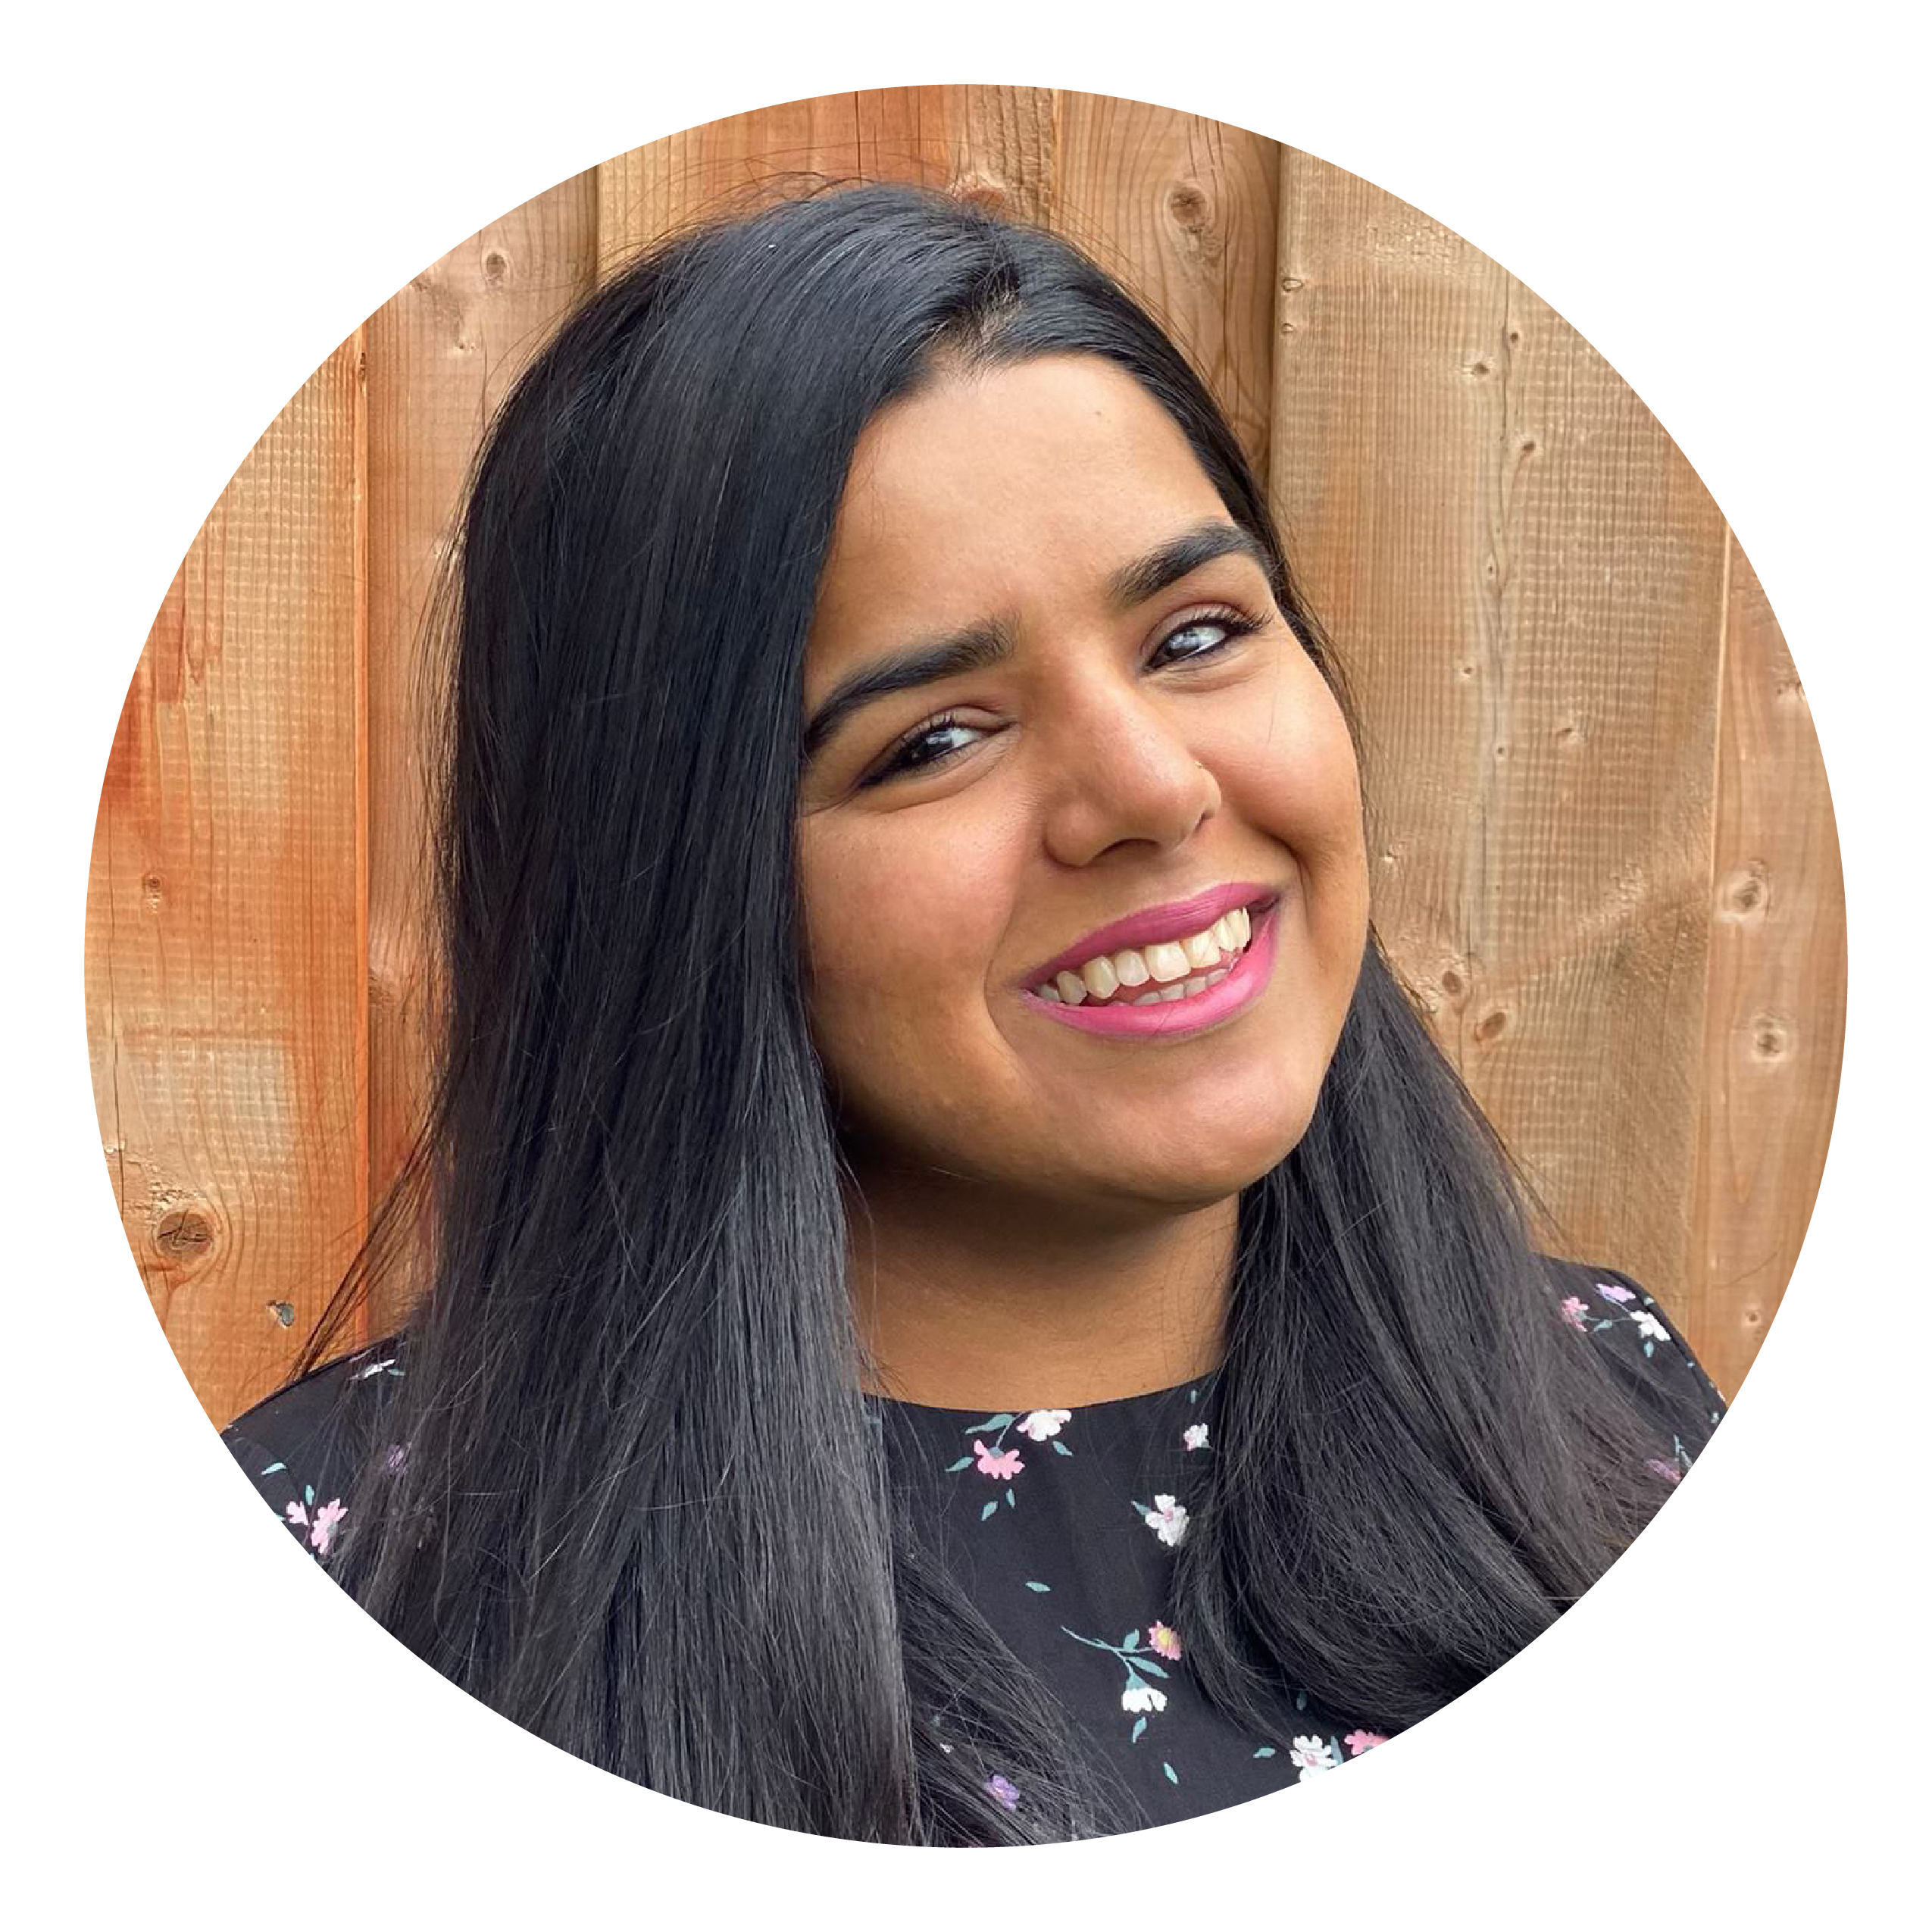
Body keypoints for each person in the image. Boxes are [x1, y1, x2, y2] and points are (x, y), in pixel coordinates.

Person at [218, 179, 1727, 1845]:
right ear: (675, 885)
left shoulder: (1623, 1415)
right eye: (933, 738)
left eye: (1201, 634)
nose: (1150, 786)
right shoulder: (321, 1606)